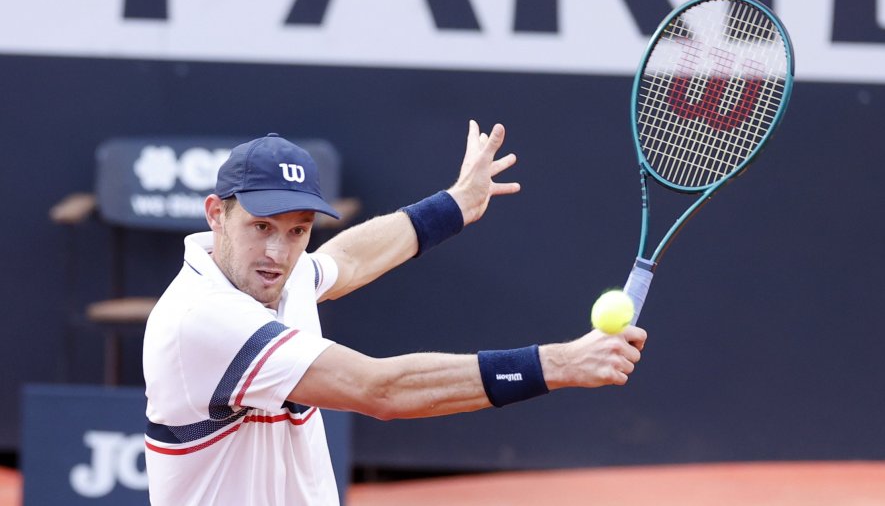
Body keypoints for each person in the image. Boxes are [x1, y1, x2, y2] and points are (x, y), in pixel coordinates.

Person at [142, 121, 647, 506]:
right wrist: (561, 364)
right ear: (216, 215)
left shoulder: (273, 274)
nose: (279, 250)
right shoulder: (203, 319)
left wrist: (455, 203)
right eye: (262, 227)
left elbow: (348, 259)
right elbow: (382, 390)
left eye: (298, 229)